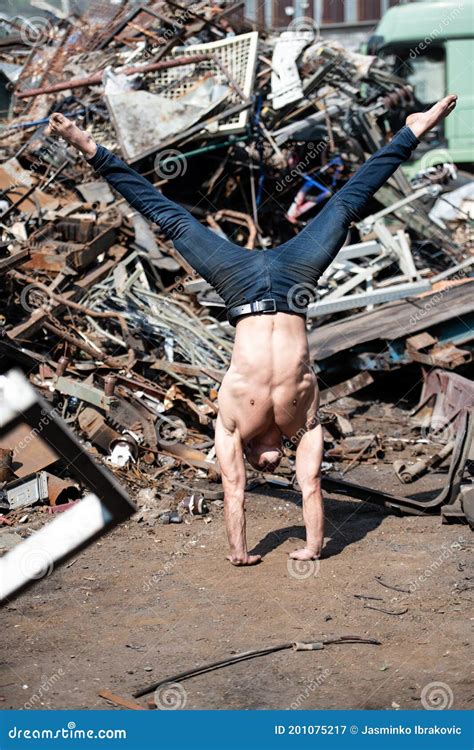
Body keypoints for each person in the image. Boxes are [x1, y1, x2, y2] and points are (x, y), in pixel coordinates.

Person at [46, 95, 457, 566]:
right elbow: (311, 485)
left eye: (263, 467)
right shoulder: (302, 426)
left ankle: (88, 146)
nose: (269, 467)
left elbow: (233, 488)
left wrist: (239, 551)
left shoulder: (231, 425)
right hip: (294, 280)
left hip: (238, 285)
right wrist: (313, 545)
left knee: (170, 218)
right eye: (274, 465)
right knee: (344, 207)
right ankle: (411, 132)